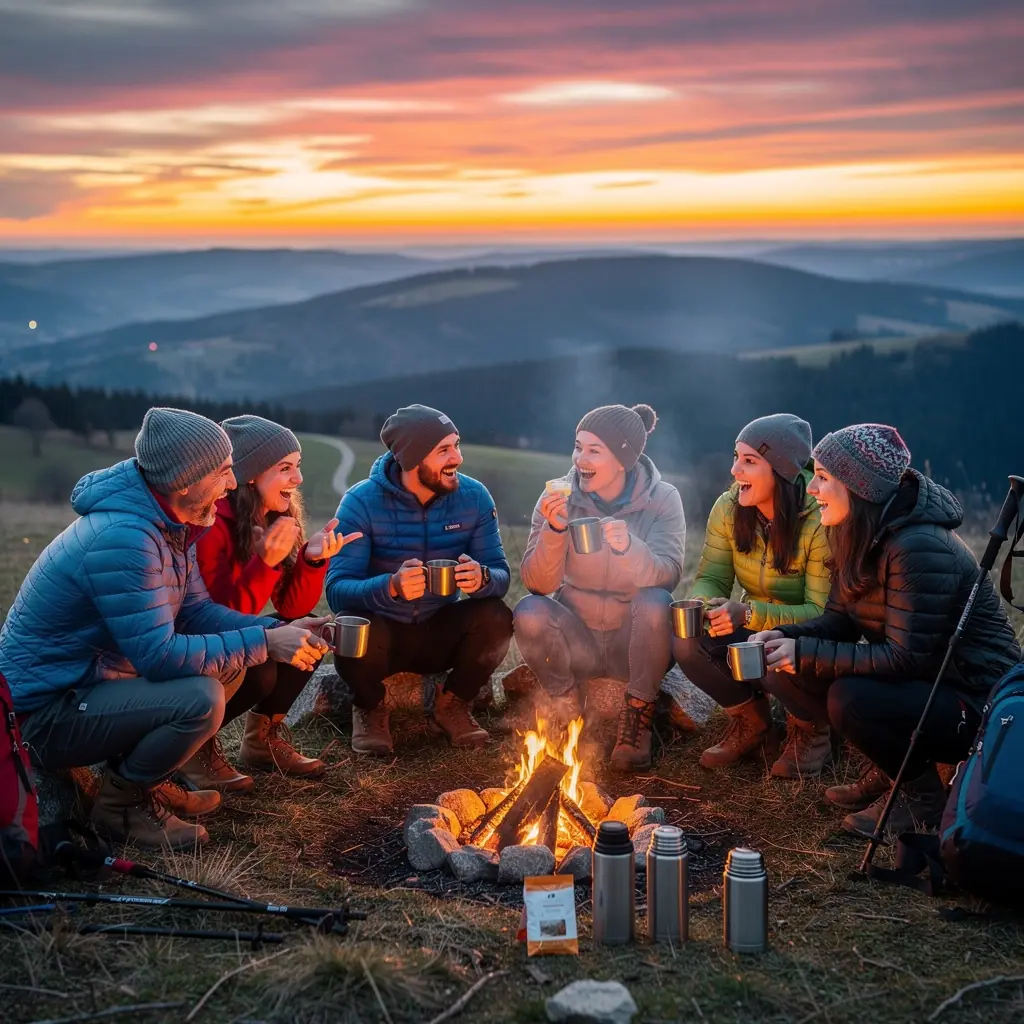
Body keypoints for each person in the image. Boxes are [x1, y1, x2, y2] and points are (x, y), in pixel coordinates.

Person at [0, 408, 328, 849]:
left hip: (89, 686)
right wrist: (266, 640)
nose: (232, 485)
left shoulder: (169, 525)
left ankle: (146, 780)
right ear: (186, 480)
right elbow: (159, 656)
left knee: (230, 665)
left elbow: (196, 611)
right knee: (200, 696)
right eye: (224, 473)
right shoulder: (126, 538)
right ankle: (122, 805)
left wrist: (275, 633)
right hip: (44, 714)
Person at [752, 424, 1021, 834]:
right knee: (784, 665)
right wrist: (789, 639)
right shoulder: (855, 531)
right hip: (929, 685)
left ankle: (921, 797)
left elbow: (903, 657)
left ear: (860, 488)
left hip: (977, 702)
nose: (812, 489)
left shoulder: (918, 547)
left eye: (823, 477)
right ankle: (894, 769)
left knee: (849, 697)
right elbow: (839, 622)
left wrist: (805, 653)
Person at [325, 405, 513, 755]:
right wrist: (390, 587)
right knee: (353, 625)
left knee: (496, 616)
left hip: (437, 631)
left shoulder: (473, 497)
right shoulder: (360, 502)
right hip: (382, 637)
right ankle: (369, 706)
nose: (457, 457)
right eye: (443, 450)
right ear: (411, 458)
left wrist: (482, 577)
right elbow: (336, 590)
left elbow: (501, 575)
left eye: (457, 444)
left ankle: (453, 704)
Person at [191, 416, 362, 787]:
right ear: (251, 474)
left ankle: (262, 740)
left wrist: (312, 560)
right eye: (285, 469)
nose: (297, 479)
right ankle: (192, 747)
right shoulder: (212, 523)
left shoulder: (274, 516)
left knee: (307, 628)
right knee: (263, 668)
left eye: (296, 467)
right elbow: (217, 615)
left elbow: (291, 607)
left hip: (231, 633)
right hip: (193, 644)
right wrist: (265, 563)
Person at [514, 403, 685, 772]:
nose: (579, 459)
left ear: (622, 459)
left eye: (594, 450)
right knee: (529, 611)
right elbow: (537, 583)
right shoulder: (558, 499)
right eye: (578, 447)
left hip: (634, 641)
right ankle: (565, 706)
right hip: (580, 640)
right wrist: (554, 529)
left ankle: (637, 715)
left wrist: (629, 548)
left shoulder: (663, 499)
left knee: (657, 602)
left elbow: (668, 574)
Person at [673, 414, 831, 775]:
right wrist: (702, 605)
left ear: (780, 470)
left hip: (807, 640)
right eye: (735, 457)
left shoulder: (819, 520)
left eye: (749, 461)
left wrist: (747, 615)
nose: (734, 470)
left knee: (772, 651)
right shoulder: (728, 509)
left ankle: (811, 730)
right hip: (758, 626)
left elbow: (823, 613)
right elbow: (712, 577)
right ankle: (752, 723)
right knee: (686, 638)